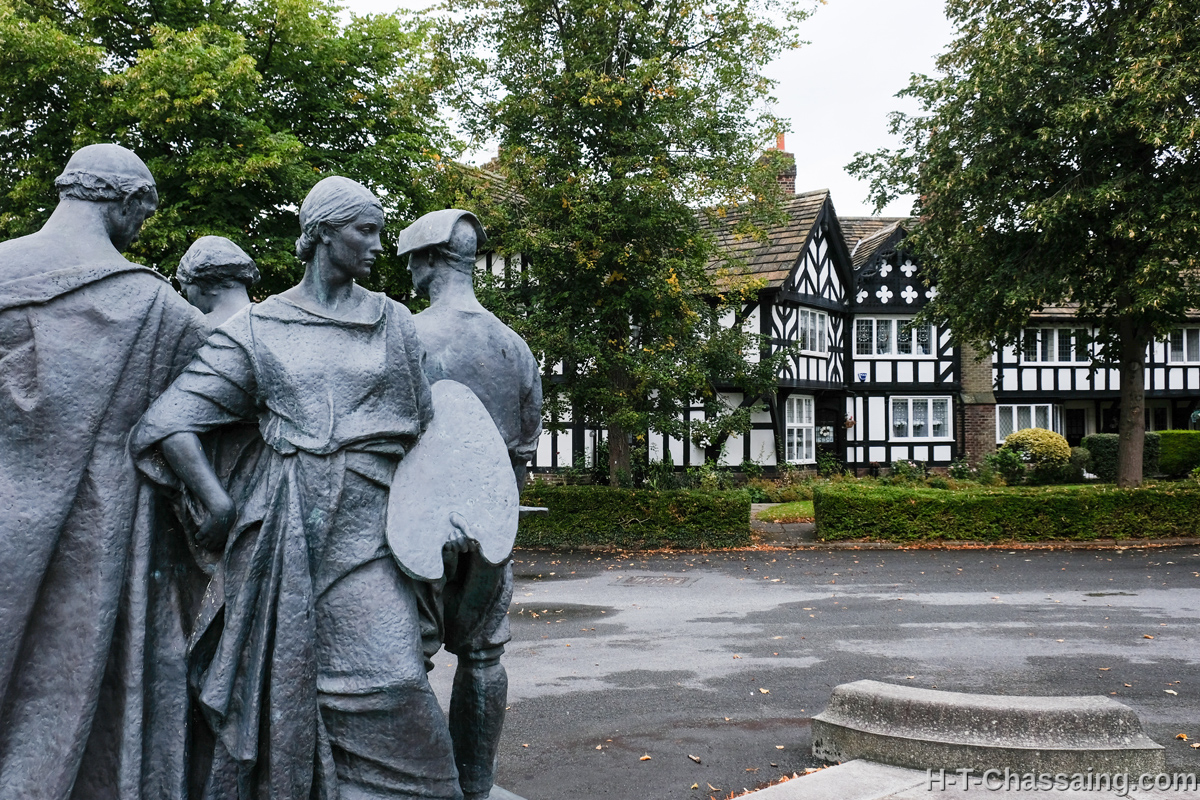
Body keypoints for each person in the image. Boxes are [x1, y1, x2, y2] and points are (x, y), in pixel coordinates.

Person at [131, 176, 462, 800]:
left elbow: (431, 432)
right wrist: (218, 502)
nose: (378, 243)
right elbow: (170, 423)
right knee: (297, 688)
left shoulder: (394, 321)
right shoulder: (261, 328)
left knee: (396, 685)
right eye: (366, 230)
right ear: (323, 234)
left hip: (378, 530)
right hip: (290, 536)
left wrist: (446, 514)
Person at [0, 144, 207, 799]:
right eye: (144, 214)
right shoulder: (160, 309)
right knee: (71, 689)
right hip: (99, 538)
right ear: (128, 201)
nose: (141, 228)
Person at [400, 209, 543, 800]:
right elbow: (524, 448)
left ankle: (421, 786)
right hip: (492, 525)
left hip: (418, 526)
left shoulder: (406, 336)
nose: (409, 271)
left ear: (431, 259)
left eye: (412, 260)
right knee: (484, 656)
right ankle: (476, 787)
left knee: (409, 657)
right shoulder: (512, 345)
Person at [176, 235, 260, 327]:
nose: (188, 300)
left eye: (186, 291)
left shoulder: (194, 330)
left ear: (205, 283)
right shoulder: (269, 319)